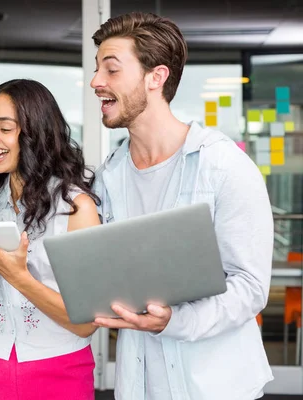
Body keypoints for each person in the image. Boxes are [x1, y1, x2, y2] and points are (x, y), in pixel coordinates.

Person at [89, 12, 274, 400]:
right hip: (137, 386)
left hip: (215, 387)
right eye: (96, 69)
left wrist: (174, 320)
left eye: (111, 69)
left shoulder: (224, 166)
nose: (96, 82)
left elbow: (250, 287)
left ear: (156, 77)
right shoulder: (109, 176)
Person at [0, 79, 101, 399]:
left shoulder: (76, 209)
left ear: (36, 135)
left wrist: (18, 277)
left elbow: (86, 323)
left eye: (5, 128)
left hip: (61, 369)